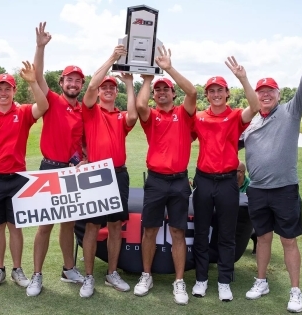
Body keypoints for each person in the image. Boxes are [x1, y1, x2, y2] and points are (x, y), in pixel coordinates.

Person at [242, 25, 302, 313]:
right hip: (258, 190)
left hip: (285, 189)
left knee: (288, 239)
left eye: (269, 91)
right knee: (262, 237)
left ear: (278, 93)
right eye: (260, 91)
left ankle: (295, 290)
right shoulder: (250, 123)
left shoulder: (290, 111)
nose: (265, 95)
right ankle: (261, 281)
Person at [191, 57, 260, 301]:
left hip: (228, 181)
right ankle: (201, 279)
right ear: (207, 95)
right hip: (204, 180)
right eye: (212, 91)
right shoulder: (198, 117)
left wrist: (243, 77)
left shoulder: (235, 117)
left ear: (227, 93)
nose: (216, 94)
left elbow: (255, 106)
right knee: (201, 231)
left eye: (220, 90)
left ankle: (224, 281)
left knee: (227, 233)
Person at [0, 62, 49, 290]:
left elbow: (44, 105)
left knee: (15, 226)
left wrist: (32, 81)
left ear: (14, 91)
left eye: (8, 88)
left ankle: (17, 270)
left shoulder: (24, 112)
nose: (3, 93)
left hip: (17, 178)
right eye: (0, 88)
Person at [133, 46, 197, 305]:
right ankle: (145, 275)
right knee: (149, 230)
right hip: (156, 180)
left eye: (165, 89)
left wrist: (168, 67)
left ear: (173, 93)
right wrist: (148, 78)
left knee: (178, 232)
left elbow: (192, 92)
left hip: (180, 181)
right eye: (157, 90)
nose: (161, 93)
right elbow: (139, 104)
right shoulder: (152, 116)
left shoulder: (184, 113)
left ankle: (179, 281)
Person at [26, 22, 86, 297]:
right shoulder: (50, 100)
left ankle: (68, 268)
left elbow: (83, 142)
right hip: (50, 167)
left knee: (69, 224)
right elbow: (37, 77)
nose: (72, 84)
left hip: (73, 171)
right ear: (61, 83)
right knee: (45, 225)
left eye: (77, 80)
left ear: (81, 85)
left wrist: (83, 159)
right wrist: (40, 47)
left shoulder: (84, 110)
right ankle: (37, 275)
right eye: (68, 80)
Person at [78, 45, 137, 298]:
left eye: (112, 87)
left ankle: (112, 272)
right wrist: (113, 57)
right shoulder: (91, 111)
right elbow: (90, 87)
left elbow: (134, 116)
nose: (108, 89)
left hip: (118, 173)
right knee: (92, 226)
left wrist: (129, 83)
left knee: (115, 225)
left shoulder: (120, 115)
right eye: (106, 87)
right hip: (96, 174)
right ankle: (89, 277)